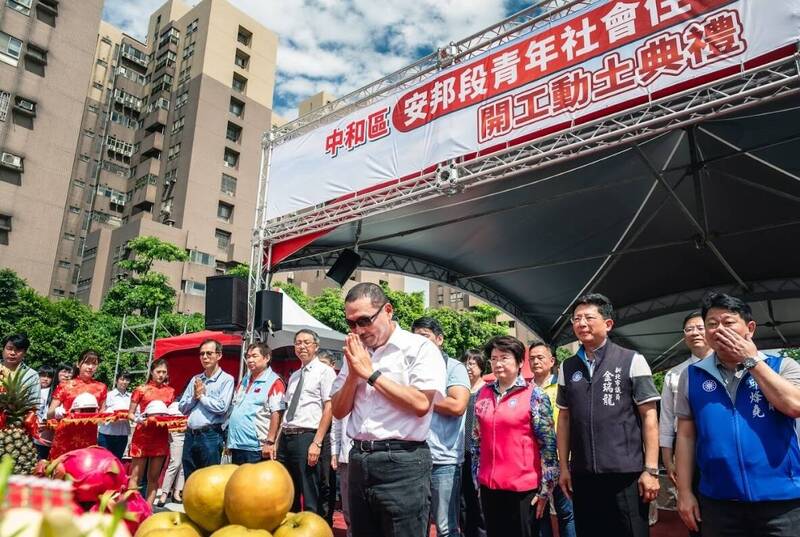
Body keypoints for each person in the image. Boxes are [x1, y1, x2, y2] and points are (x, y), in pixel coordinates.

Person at [674, 292, 800, 536]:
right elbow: (686, 436)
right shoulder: (691, 376)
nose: (719, 329)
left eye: (728, 322)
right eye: (712, 324)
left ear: (749, 328)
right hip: (719, 503)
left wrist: (751, 360)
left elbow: (794, 406)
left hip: (782, 502)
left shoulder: (783, 366)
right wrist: (685, 492)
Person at [331, 283, 446, 537]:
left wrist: (370, 374)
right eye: (351, 324)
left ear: (388, 310)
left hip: (403, 462)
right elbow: (338, 411)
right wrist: (353, 374)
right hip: (359, 459)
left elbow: (420, 404)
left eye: (364, 321)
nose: (359, 330)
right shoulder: (356, 354)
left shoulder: (419, 348)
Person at [556, 293, 660, 537]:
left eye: (589, 317)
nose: (581, 323)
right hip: (583, 475)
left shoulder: (632, 360)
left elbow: (649, 417)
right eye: (576, 318)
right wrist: (564, 467)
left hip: (626, 474)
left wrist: (651, 470)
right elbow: (564, 419)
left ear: (608, 324)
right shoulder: (567, 366)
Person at [472, 336, 558, 537]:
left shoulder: (535, 395)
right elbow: (476, 440)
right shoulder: (482, 393)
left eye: (504, 358)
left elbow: (548, 445)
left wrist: (546, 490)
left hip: (523, 489)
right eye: (493, 359)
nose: (498, 364)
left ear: (520, 362)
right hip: (489, 486)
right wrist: (477, 480)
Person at [411, 316, 470, 537]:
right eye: (416, 338)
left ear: (440, 339)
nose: (420, 343)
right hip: (413, 456)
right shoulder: (411, 367)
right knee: (417, 525)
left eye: (425, 337)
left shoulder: (453, 366)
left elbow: (457, 405)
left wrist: (418, 397)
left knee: (446, 527)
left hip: (444, 460)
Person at [659, 312, 712, 536]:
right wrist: (667, 458)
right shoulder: (675, 374)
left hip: (718, 446)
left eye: (700, 328)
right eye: (689, 329)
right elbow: (667, 419)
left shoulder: (731, 367)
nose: (695, 333)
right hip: (688, 450)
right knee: (694, 511)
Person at [278, 329, 336, 519]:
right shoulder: (295, 376)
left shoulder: (325, 372)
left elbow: (330, 407)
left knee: (311, 492)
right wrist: (277, 441)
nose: (301, 346)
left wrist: (317, 442)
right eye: (298, 343)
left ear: (316, 347)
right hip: (287, 437)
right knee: (288, 491)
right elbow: (287, 411)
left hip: (308, 436)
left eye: (306, 342)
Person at [529, 341, 575, 537]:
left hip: (564, 459)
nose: (535, 361)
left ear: (551, 360)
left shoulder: (564, 386)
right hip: (535, 462)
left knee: (566, 512)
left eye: (540, 357)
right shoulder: (525, 389)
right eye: (531, 358)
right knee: (539, 511)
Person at [178, 339, 234, 478]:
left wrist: (202, 397)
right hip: (191, 434)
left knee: (209, 479)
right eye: (202, 354)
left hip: (210, 435)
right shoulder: (196, 379)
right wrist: (194, 398)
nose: (205, 357)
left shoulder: (226, 379)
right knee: (190, 477)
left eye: (209, 353)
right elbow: (182, 407)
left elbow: (222, 407)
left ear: (219, 355)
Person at [227, 342, 285, 464]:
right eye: (248, 356)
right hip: (237, 444)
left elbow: (277, 413)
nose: (250, 360)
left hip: (256, 447)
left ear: (267, 358)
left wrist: (270, 441)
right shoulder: (245, 379)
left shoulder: (274, 381)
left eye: (254, 356)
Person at [128, 359, 175, 505]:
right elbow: (130, 413)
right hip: (142, 435)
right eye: (158, 372)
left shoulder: (170, 391)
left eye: (164, 372)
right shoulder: (141, 389)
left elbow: (171, 412)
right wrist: (138, 419)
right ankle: (131, 508)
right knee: (135, 476)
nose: (161, 375)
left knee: (153, 478)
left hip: (160, 436)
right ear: (152, 372)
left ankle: (148, 510)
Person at [47, 350, 108, 459]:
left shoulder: (101, 387)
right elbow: (49, 414)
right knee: (61, 472)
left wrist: (107, 416)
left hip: (88, 440)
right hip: (64, 438)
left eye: (94, 364)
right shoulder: (65, 385)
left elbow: (102, 414)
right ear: (78, 364)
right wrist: (57, 412)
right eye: (87, 363)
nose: (90, 367)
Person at [460, 349, 487, 537]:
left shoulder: (486, 390)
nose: (468, 367)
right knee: (462, 501)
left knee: (479, 502)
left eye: (473, 363)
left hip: (479, 453)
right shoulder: (458, 389)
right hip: (459, 452)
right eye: (466, 363)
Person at [316, 349, 337, 525]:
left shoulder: (336, 383)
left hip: (330, 437)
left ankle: (325, 520)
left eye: (323, 365)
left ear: (332, 366)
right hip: (315, 434)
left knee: (327, 481)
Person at [98, 373, 132, 460]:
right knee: (104, 461)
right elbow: (101, 412)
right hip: (107, 434)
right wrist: (111, 414)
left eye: (127, 380)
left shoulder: (131, 397)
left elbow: (135, 412)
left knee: (117, 462)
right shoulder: (108, 395)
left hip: (122, 434)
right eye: (122, 379)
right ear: (117, 380)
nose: (124, 382)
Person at [157, 402, 185, 506]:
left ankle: (177, 492)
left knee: (182, 465)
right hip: (176, 432)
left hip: (189, 432)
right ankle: (165, 493)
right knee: (175, 462)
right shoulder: (174, 402)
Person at [331, 411, 353, 537]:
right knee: (349, 512)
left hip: (380, 456)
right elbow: (337, 419)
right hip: (347, 457)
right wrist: (335, 450)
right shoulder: (342, 390)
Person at [1, 334, 40, 399]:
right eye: (9, 348)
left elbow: (35, 403)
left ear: (24, 353)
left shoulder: (32, 375)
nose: (12, 353)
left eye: (18, 350)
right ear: (3, 350)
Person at [33, 365, 55, 460]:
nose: (45, 379)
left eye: (49, 376)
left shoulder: (52, 392)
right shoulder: (32, 391)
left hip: (43, 434)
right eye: (43, 375)